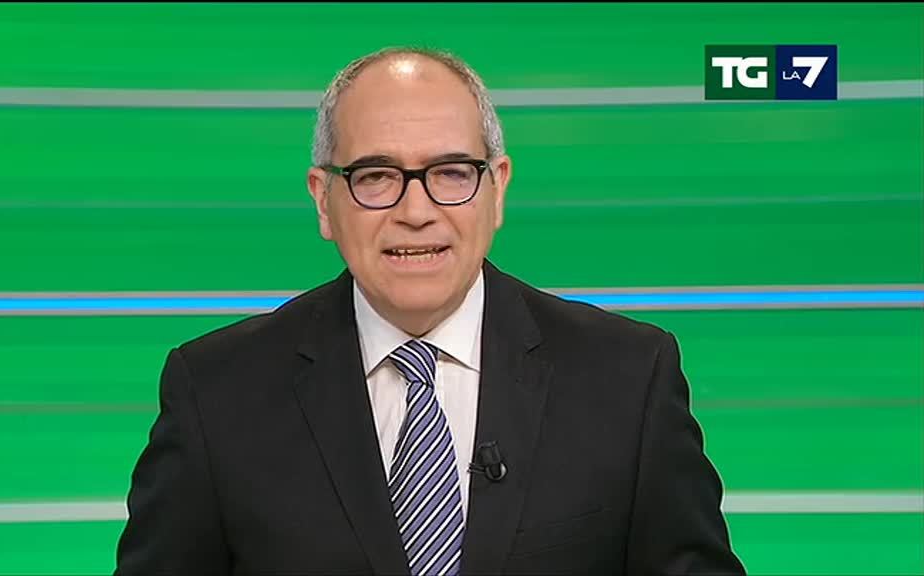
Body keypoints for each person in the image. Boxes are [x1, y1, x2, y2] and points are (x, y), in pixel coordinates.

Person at [115, 46, 746, 575]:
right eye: (376, 176)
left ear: (497, 188)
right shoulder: (216, 393)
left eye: (451, 173)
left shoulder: (628, 378)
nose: (416, 211)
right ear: (323, 200)